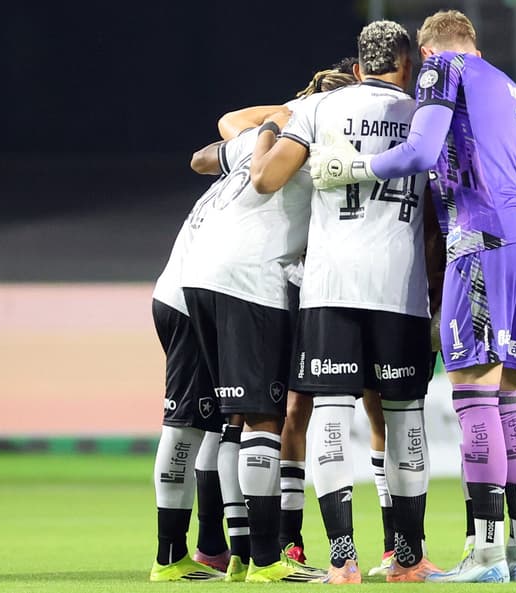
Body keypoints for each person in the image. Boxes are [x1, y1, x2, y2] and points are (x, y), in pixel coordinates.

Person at [310, 10, 516, 583]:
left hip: (484, 237)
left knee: (473, 396)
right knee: (513, 401)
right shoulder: (504, 85)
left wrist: (354, 164)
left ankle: (488, 555)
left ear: (425, 52)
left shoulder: (439, 69)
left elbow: (420, 154)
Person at [250, 20, 438, 584]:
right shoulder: (423, 116)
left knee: (330, 416)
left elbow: (266, 181)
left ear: (357, 68)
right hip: (400, 290)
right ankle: (407, 558)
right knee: (404, 420)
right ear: (406, 66)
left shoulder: (318, 110)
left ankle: (341, 561)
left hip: (329, 287)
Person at [216, 59, 359, 568]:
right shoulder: (303, 122)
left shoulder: (342, 131)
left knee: (289, 410)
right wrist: (277, 123)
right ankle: (277, 544)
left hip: (310, 279)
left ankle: (268, 545)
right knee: (278, 411)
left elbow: (213, 146)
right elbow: (227, 130)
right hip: (287, 281)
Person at [179, 101, 323, 581]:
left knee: (230, 420)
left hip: (199, 275)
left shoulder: (269, 136)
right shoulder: (315, 136)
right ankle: (267, 559)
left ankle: (238, 552)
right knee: (265, 416)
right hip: (251, 279)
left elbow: (201, 158)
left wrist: (266, 126)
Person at [147, 142, 236, 582]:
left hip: (179, 295)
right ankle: (169, 558)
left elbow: (203, 155)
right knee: (184, 424)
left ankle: (208, 547)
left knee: (209, 424)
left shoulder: (228, 181)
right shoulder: (258, 181)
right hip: (189, 302)